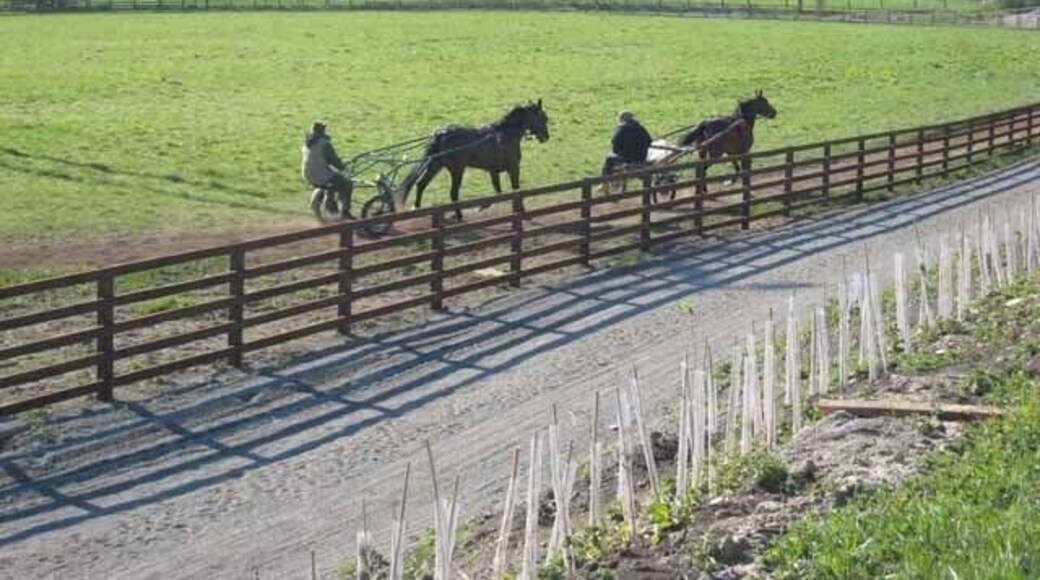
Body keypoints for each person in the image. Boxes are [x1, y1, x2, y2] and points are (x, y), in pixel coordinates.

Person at [302, 121, 355, 219]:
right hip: (321, 175)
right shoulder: (324, 144)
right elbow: (334, 161)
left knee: (333, 179)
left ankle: (329, 202)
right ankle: (345, 210)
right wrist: (343, 167)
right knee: (347, 183)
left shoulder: (307, 143)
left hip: (307, 174)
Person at [601, 111, 652, 176]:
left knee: (609, 159)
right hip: (641, 158)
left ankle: (604, 181)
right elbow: (649, 141)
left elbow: (615, 145)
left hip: (627, 159)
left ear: (622, 120)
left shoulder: (622, 130)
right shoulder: (641, 128)